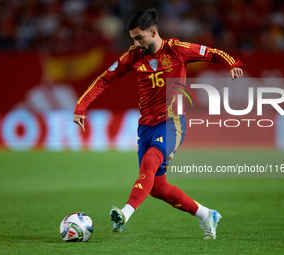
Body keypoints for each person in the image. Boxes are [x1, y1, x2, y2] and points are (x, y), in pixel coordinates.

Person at [73, 8, 243, 239]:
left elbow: (213, 53)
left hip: (172, 122)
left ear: (153, 32)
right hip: (145, 127)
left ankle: (125, 213)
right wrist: (81, 107)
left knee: (150, 162)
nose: (135, 42)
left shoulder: (177, 50)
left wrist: (233, 64)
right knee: (157, 188)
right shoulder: (132, 56)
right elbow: (105, 79)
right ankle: (206, 215)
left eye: (139, 37)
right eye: (132, 38)